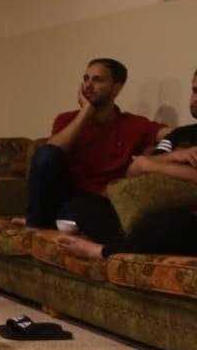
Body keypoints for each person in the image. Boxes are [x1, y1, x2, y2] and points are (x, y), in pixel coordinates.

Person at [62, 67, 197, 259]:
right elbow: (134, 171)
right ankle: (134, 243)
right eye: (194, 90)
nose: (194, 98)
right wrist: (171, 158)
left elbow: (145, 164)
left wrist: (149, 165)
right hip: (148, 210)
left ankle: (104, 251)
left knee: (172, 221)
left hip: (184, 216)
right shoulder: (179, 135)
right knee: (85, 205)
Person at [26, 58, 165, 242]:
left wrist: (176, 153)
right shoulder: (67, 120)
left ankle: (61, 223)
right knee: (46, 154)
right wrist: (86, 112)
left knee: (87, 211)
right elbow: (50, 153)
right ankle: (35, 225)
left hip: (100, 203)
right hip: (65, 197)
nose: (88, 85)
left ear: (116, 88)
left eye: (97, 80)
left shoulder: (134, 124)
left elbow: (172, 134)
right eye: (86, 79)